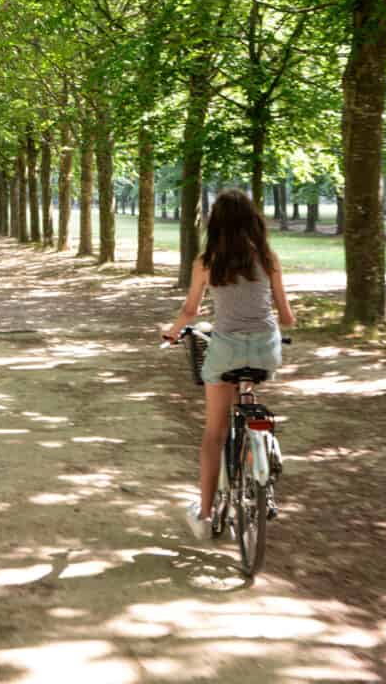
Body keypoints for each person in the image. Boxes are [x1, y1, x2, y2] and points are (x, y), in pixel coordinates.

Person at [163, 188, 295, 541]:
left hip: (225, 350)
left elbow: (190, 312)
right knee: (248, 387)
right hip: (266, 351)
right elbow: (286, 316)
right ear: (253, 220)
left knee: (214, 433)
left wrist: (171, 333)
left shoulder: (207, 261)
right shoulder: (268, 259)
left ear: (215, 222)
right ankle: (260, 447)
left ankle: (204, 516)